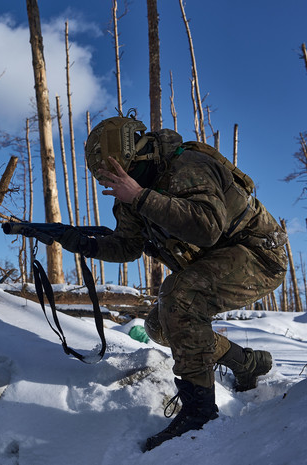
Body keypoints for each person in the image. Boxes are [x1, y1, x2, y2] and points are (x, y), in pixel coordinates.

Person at [56, 115, 288, 451]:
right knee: (161, 326)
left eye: (122, 174)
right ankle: (246, 362)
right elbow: (128, 246)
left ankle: (199, 412)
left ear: (138, 155)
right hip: (215, 263)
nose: (119, 184)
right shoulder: (132, 194)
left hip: (259, 256)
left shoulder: (188, 165)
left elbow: (206, 228)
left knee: (180, 294)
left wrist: (138, 196)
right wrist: (81, 243)